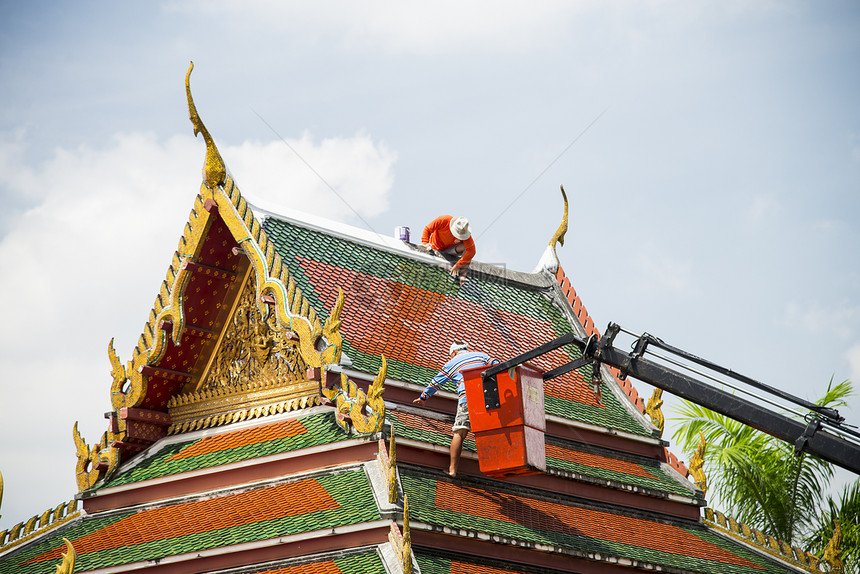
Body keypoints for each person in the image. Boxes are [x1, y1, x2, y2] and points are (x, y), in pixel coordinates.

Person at [413, 341, 499, 477]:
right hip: (488, 397)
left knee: (459, 433)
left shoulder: (452, 363)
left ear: (454, 353)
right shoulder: (482, 356)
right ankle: (496, 467)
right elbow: (498, 365)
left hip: (468, 399)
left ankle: (452, 470)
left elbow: (436, 382)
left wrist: (423, 397)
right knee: (488, 432)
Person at [421, 215, 475, 286]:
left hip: (450, 251)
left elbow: (472, 251)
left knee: (467, 250)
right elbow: (427, 229)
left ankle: (462, 276)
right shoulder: (444, 220)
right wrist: (425, 243)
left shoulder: (464, 232)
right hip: (434, 247)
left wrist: (458, 265)